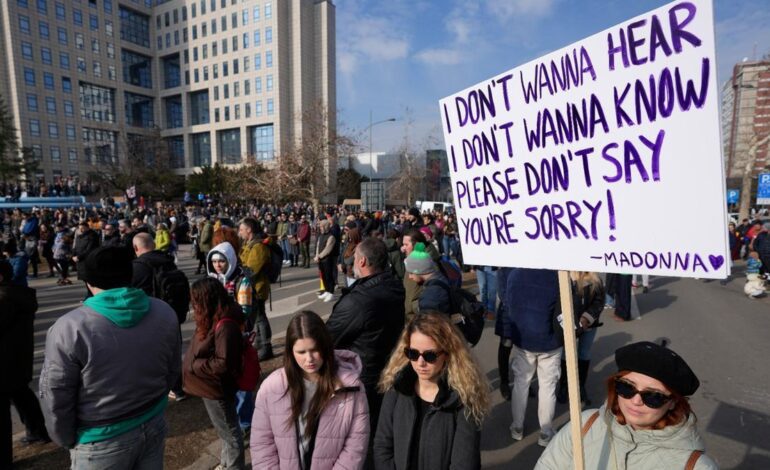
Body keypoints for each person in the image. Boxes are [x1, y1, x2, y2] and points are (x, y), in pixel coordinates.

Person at [39, 245, 181, 466]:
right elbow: (172, 368)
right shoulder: (163, 311)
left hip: (100, 438)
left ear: (89, 282)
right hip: (152, 419)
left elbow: (55, 394)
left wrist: (65, 438)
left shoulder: (70, 328)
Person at [535, 341, 718, 469]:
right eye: (627, 388)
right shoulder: (585, 424)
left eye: (653, 396)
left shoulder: (696, 467)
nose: (636, 401)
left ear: (672, 403)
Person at [251, 311, 370, 469]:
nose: (309, 359)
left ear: (325, 346)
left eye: (315, 350)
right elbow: (262, 444)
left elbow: (355, 446)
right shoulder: (271, 387)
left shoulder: (352, 387)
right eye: (301, 352)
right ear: (290, 352)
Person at [374, 312, 489, 470]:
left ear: (447, 354)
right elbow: (382, 445)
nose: (420, 363)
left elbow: (464, 464)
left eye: (429, 356)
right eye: (413, 354)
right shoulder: (397, 388)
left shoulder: (463, 401)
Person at [326, 237, 406, 457]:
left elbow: (327, 337)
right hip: (384, 368)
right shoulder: (393, 285)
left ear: (361, 262)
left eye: (354, 259)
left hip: (360, 376)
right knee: (376, 433)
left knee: (360, 441)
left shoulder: (359, 301)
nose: (351, 263)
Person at [183, 278, 247, 470]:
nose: (193, 304)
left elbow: (223, 363)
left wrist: (195, 366)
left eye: (195, 300)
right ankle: (227, 463)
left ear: (206, 299)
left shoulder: (224, 325)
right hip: (209, 385)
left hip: (215, 387)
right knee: (225, 430)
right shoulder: (212, 315)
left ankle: (234, 466)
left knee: (229, 431)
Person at [1, 260, 50, 469]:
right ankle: (38, 432)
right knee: (21, 395)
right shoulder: (17, 294)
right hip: (16, 358)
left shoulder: (4, 298)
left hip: (5, 361)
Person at [506, 268, 563, 447]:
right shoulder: (557, 276)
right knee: (547, 387)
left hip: (523, 338)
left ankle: (517, 428)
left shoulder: (515, 274)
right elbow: (562, 311)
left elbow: (510, 305)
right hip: (550, 342)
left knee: (521, 383)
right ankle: (545, 433)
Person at [556, 272, 604, 406]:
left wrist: (586, 318)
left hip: (588, 323)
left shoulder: (595, 279)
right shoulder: (563, 275)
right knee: (566, 354)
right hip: (568, 323)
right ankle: (564, 387)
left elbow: (599, 302)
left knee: (584, 353)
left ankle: (580, 387)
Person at [238, 217, 273, 359]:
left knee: (260, 317)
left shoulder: (258, 246)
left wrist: (239, 268)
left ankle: (266, 346)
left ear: (249, 230)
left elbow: (251, 270)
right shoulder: (249, 243)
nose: (239, 232)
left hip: (257, 288)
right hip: (251, 287)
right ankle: (260, 343)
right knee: (257, 317)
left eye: (241, 229)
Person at [405, 242, 452, 315]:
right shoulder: (440, 279)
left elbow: (430, 323)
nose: (409, 277)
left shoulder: (431, 295)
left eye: (411, 273)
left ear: (419, 270)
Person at [315, 219, 337, 302]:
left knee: (329, 276)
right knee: (323, 276)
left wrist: (319, 256)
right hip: (320, 260)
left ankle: (331, 293)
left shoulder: (331, 237)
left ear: (325, 227)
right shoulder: (321, 235)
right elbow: (318, 246)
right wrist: (317, 255)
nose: (320, 228)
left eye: (321, 226)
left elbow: (328, 249)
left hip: (327, 260)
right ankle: (327, 290)